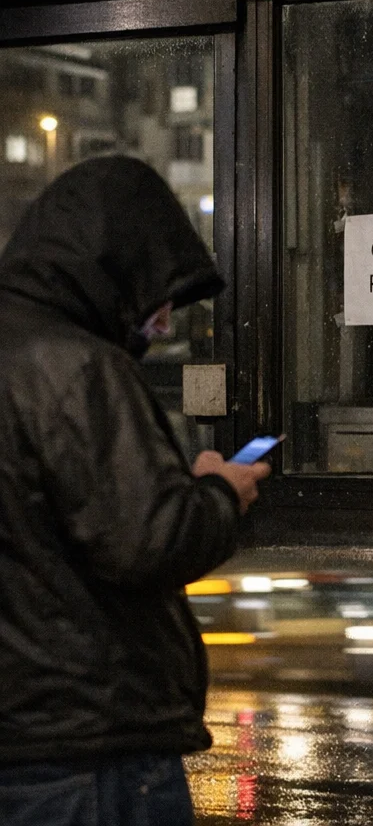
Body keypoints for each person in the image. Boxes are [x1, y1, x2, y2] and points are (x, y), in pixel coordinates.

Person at [0, 156, 270, 825]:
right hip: (87, 742)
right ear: (115, 269)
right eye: (159, 299)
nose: (165, 323)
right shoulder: (76, 367)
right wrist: (217, 493)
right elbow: (147, 540)